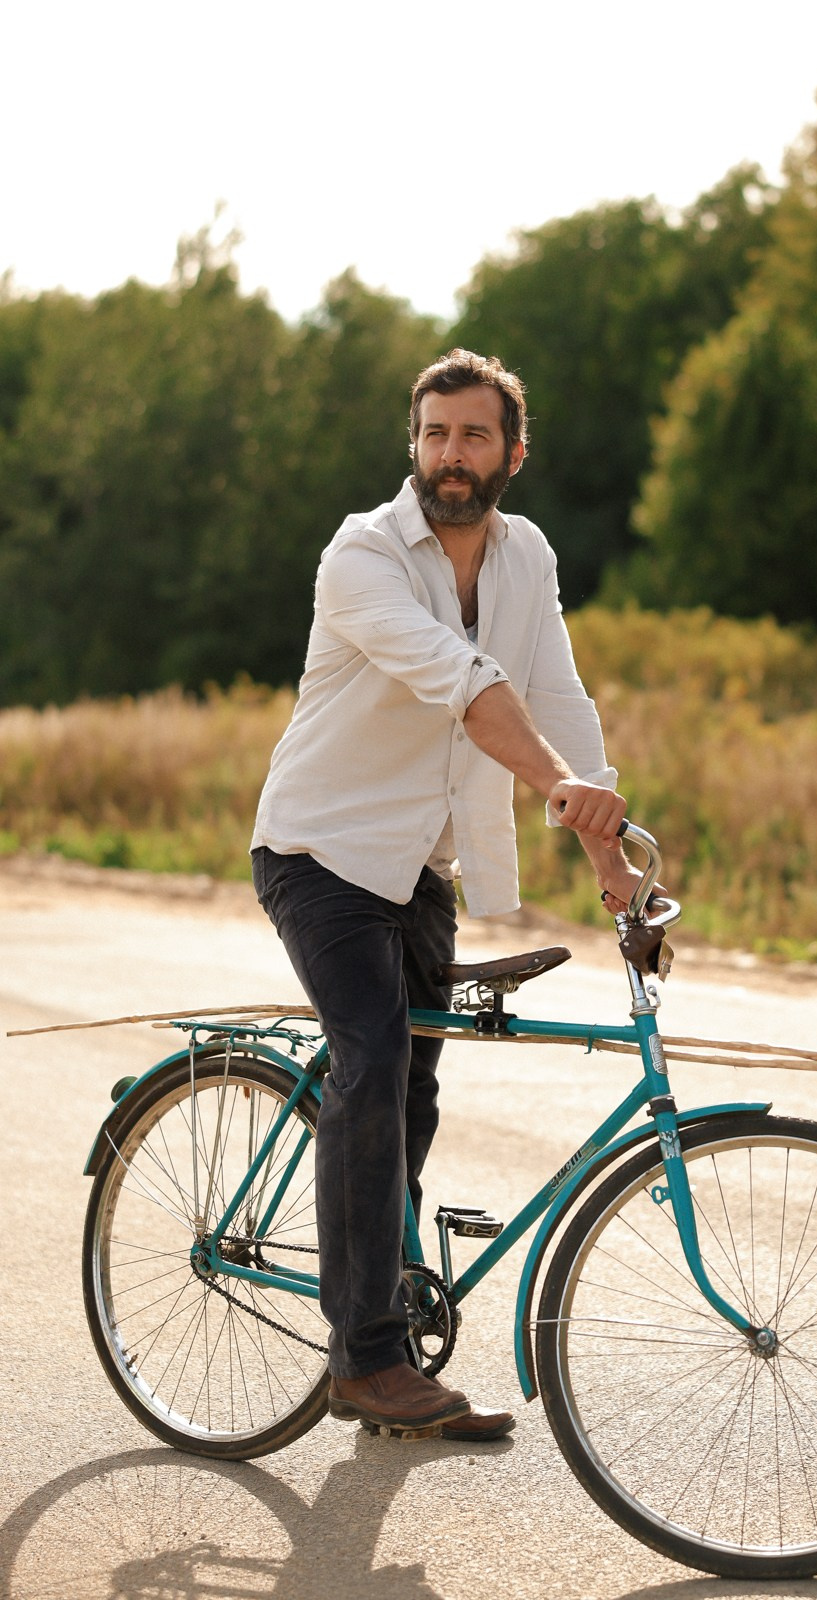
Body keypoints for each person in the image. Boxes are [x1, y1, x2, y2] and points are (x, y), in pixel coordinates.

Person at [251, 349, 643, 1441]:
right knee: (371, 1061)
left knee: (413, 1092)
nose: (450, 456)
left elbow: (557, 693)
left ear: (512, 452)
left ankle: (378, 1322)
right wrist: (556, 787)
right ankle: (366, 1357)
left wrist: (609, 856)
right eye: (433, 435)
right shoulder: (361, 553)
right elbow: (467, 685)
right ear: (412, 446)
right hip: (320, 852)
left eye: (473, 436)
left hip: (418, 869)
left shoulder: (524, 557)